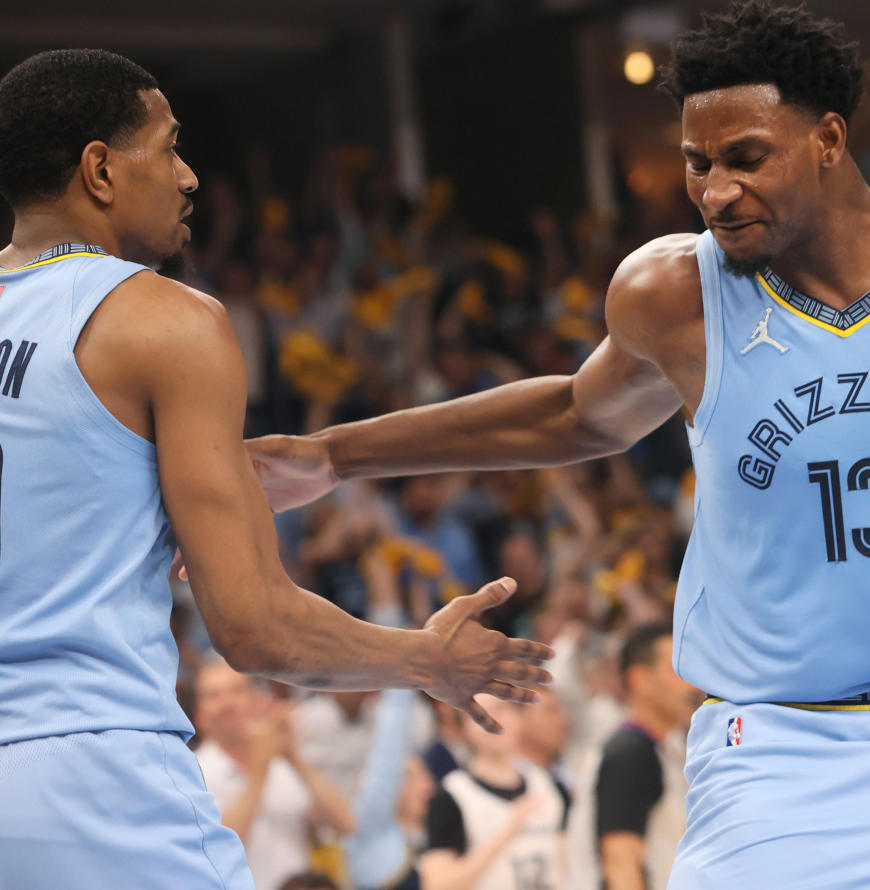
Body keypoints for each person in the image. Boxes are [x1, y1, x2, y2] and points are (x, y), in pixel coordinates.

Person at [245, 2, 870, 886]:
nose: (714, 190)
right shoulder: (671, 292)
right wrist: (337, 454)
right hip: (782, 759)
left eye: (743, 157)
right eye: (696, 162)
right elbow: (571, 415)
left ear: (827, 140)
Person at [0, 49, 551, 890]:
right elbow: (257, 627)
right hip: (92, 777)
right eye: (168, 147)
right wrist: (425, 660)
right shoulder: (162, 319)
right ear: (99, 170)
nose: (187, 177)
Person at [193, 659, 356, 890]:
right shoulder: (192, 772)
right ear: (199, 716)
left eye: (236, 690)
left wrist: (293, 756)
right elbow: (218, 848)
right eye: (213, 695)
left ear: (255, 701)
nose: (227, 703)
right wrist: (259, 769)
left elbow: (346, 824)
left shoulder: (283, 766)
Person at [567, 624, 696, 890]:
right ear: (640, 680)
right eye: (677, 670)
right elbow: (621, 864)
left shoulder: (656, 749)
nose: (691, 684)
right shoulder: (630, 753)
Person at [422, 694, 569, 890]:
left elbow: (569, 865)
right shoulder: (452, 796)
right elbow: (437, 884)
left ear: (520, 717)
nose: (491, 720)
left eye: (501, 708)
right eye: (478, 714)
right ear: (463, 727)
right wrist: (505, 834)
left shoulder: (549, 786)